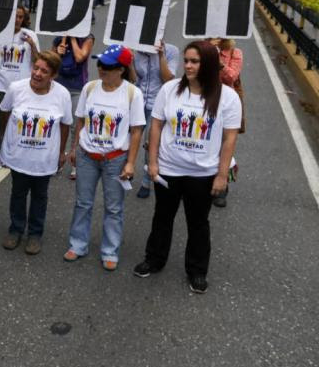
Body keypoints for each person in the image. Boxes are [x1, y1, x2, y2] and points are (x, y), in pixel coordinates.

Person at [134, 41, 241, 294]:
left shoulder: (228, 97)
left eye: (195, 61)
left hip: (202, 174)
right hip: (169, 170)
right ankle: (155, 259)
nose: (189, 66)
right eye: (187, 61)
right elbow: (157, 125)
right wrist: (152, 162)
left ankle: (197, 271)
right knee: (162, 217)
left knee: (198, 223)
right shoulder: (170, 89)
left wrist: (222, 175)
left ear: (209, 65)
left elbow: (230, 138)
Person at [64, 45, 145, 270]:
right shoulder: (90, 88)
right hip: (87, 156)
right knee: (82, 202)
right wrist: (74, 149)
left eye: (107, 66)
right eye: (99, 64)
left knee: (114, 207)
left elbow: (137, 130)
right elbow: (80, 120)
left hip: (116, 158)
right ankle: (78, 244)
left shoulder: (132, 93)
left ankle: (110, 250)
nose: (101, 69)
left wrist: (130, 162)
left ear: (121, 69)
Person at [0, 50, 73, 255]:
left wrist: (61, 152)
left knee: (40, 195)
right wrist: (9, 141)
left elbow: (65, 125)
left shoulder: (62, 94)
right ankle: (15, 230)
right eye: (36, 68)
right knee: (18, 193)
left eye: (44, 71)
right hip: (19, 156)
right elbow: (5, 113)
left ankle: (35, 234)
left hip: (44, 159)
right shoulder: (16, 88)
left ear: (54, 75)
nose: (38, 74)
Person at [0, 6, 39, 170]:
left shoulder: (30, 35)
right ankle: (1, 154)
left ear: (24, 19)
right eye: (14, 16)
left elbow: (37, 61)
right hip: (1, 86)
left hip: (23, 88)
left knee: (21, 121)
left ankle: (18, 154)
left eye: (20, 17)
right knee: (2, 122)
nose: (16, 19)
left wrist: (32, 45)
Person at [132, 41, 178, 198]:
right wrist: (127, 59)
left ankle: (146, 181)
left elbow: (168, 79)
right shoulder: (137, 51)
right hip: (138, 102)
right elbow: (134, 78)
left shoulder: (172, 50)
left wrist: (160, 55)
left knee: (150, 143)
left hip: (157, 104)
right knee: (129, 138)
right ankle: (127, 168)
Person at [52, 34, 94, 179]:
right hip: (59, 85)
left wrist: (73, 39)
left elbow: (80, 57)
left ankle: (74, 160)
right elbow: (51, 61)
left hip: (77, 87)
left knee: (75, 125)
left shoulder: (87, 38)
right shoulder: (59, 38)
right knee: (57, 123)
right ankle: (57, 159)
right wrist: (58, 51)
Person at [210, 37, 244, 207]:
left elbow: (231, 77)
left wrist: (218, 60)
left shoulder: (235, 53)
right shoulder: (204, 48)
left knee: (226, 142)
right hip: (204, 98)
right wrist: (208, 51)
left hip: (226, 103)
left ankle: (223, 184)